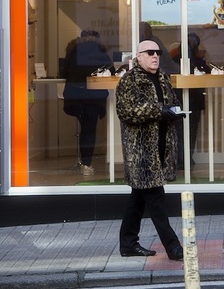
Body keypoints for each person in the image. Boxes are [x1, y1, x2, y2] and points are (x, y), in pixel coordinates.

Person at [116, 40, 184, 261]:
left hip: (161, 147)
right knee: (156, 199)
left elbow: (170, 103)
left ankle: (128, 244)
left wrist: (174, 111)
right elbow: (126, 111)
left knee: (138, 199)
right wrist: (159, 111)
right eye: (150, 52)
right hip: (141, 151)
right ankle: (173, 247)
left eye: (158, 52)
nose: (155, 56)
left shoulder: (163, 77)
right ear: (139, 56)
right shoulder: (130, 80)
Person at [63, 30, 115, 176]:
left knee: (85, 128)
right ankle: (86, 163)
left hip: (74, 96)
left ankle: (84, 162)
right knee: (89, 130)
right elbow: (111, 71)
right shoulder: (100, 52)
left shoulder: (73, 50)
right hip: (92, 97)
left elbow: (64, 72)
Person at [173, 33, 211, 167]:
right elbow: (207, 71)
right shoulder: (194, 61)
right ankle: (184, 159)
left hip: (186, 99)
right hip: (188, 98)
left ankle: (182, 159)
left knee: (182, 130)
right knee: (187, 131)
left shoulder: (177, 59)